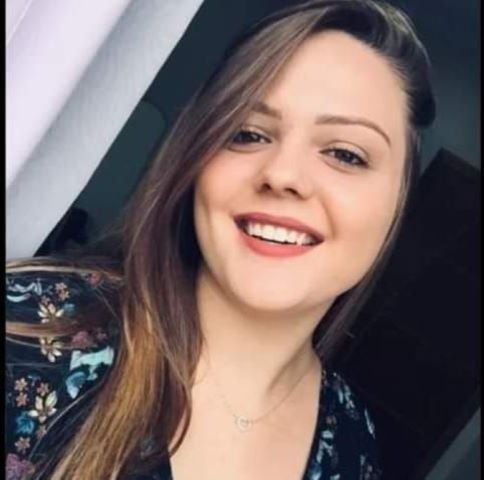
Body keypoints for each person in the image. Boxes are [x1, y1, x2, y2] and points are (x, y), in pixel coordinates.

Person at [5, 0, 436, 478]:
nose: (282, 174)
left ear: (399, 201)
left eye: (345, 154)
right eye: (247, 134)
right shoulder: (24, 333)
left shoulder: (354, 440)